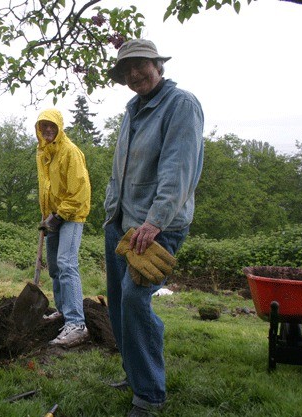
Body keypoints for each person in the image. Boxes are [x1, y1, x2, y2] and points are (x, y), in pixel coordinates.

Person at [103, 39, 204, 417]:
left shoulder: (181, 106)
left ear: (157, 64)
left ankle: (149, 394)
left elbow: (179, 171)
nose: (134, 75)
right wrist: (110, 212)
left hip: (155, 227)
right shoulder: (133, 109)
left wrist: (155, 221)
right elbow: (121, 168)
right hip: (120, 223)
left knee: (135, 300)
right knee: (118, 303)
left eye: (141, 65)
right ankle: (135, 373)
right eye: (126, 70)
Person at [35, 108, 91, 348]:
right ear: (38, 129)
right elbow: (47, 188)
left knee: (67, 264)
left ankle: (77, 324)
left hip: (72, 214)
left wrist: (60, 215)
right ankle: (63, 311)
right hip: (53, 216)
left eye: (52, 126)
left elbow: (80, 191)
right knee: (55, 268)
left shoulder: (70, 152)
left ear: (59, 127)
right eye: (43, 126)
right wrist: (47, 216)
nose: (48, 130)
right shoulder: (42, 153)